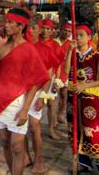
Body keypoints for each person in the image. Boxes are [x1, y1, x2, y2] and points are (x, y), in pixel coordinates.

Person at [0, 8, 49, 175]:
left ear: (21, 26)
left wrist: (25, 110)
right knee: (5, 142)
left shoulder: (28, 49)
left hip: (17, 102)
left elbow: (35, 82)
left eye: (10, 22)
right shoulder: (2, 45)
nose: (6, 25)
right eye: (6, 22)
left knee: (17, 146)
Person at [65, 24, 99, 173]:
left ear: (89, 37)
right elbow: (66, 71)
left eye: (81, 35)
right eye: (76, 35)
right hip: (73, 97)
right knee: (75, 130)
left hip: (91, 99)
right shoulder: (73, 54)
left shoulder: (97, 56)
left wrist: (84, 86)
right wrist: (69, 52)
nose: (77, 38)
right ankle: (84, 165)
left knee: (92, 131)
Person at [24, 19, 58, 173]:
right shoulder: (20, 46)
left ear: (39, 31)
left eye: (34, 28)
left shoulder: (44, 49)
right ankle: (25, 156)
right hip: (19, 92)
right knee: (19, 127)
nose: (31, 30)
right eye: (29, 27)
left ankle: (39, 161)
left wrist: (42, 96)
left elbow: (49, 74)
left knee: (34, 126)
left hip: (37, 91)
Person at [39, 18, 64, 140]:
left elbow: (58, 64)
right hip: (35, 78)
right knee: (36, 104)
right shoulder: (34, 42)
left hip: (51, 78)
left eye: (48, 29)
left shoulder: (55, 45)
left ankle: (51, 130)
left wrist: (57, 81)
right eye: (43, 28)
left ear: (52, 31)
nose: (45, 31)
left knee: (51, 103)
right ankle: (35, 128)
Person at [55, 23, 72, 124]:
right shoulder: (54, 42)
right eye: (65, 30)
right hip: (54, 70)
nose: (67, 33)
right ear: (61, 30)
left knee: (64, 94)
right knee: (53, 96)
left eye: (69, 31)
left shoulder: (71, 44)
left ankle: (61, 114)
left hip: (65, 71)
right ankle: (53, 116)